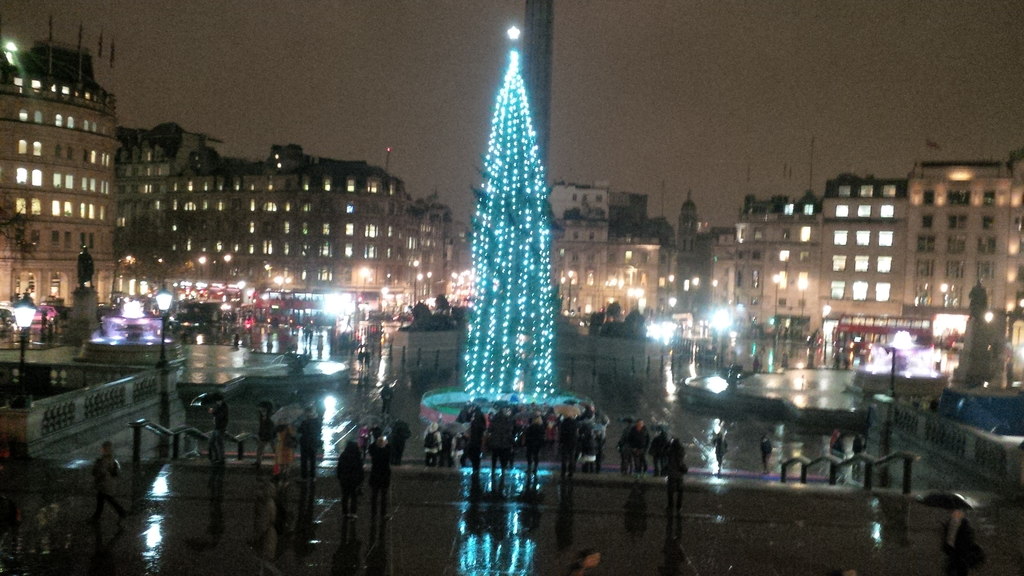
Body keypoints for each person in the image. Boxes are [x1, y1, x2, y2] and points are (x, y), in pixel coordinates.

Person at [89, 441, 127, 523]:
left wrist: (97, 472)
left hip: (105, 483)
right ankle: (121, 512)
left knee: (105, 499)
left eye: (104, 448)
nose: (102, 449)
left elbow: (102, 471)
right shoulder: (110, 458)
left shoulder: (106, 459)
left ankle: (121, 512)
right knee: (103, 499)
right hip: (106, 483)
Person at [942, 508, 984, 575]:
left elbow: (968, 542)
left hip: (961, 559)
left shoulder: (965, 526)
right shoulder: (949, 524)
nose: (956, 514)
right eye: (954, 512)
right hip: (954, 559)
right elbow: (946, 544)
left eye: (958, 512)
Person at [336, 441, 364, 519]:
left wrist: (339, 476)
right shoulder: (357, 456)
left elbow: (339, 467)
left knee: (345, 496)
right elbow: (360, 469)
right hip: (354, 479)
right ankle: (353, 512)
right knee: (354, 496)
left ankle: (345, 512)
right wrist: (361, 479)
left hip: (344, 479)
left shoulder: (343, 455)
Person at [367, 434, 392, 518]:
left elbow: (370, 447)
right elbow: (390, 448)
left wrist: (376, 441)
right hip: (384, 477)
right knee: (383, 497)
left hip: (375, 476)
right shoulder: (386, 453)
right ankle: (383, 513)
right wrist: (386, 442)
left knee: (374, 496)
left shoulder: (375, 452)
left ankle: (373, 513)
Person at [297, 405, 322, 481]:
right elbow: (319, 431)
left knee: (306, 460)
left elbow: (300, 430)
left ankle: (305, 476)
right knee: (312, 460)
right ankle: (312, 476)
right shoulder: (317, 421)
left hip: (306, 442)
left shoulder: (306, 422)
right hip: (311, 442)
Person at [488, 408, 515, 474]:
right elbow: (509, 431)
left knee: (494, 457)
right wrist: (512, 442)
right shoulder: (506, 420)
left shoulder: (494, 420)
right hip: (504, 442)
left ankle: (493, 470)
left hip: (495, 442)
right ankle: (503, 471)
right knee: (503, 458)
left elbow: (489, 430)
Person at [665, 438, 687, 514]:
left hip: (671, 474)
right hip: (679, 475)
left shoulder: (670, 451)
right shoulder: (681, 451)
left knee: (670, 491)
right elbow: (681, 461)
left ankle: (670, 506)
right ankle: (679, 506)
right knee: (680, 491)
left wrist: (668, 443)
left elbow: (665, 451)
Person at [208, 396, 229, 464]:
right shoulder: (218, 406)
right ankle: (217, 457)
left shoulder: (224, 407)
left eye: (218, 401)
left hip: (221, 428)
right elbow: (217, 415)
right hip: (216, 427)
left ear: (221, 401)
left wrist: (213, 412)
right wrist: (213, 412)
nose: (217, 402)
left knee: (219, 443)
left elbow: (220, 416)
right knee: (211, 442)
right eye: (216, 401)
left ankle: (221, 458)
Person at [255, 402, 275, 470]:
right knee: (259, 449)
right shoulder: (261, 415)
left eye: (260, 407)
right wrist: (260, 433)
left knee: (274, 449)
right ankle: (258, 462)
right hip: (263, 434)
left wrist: (266, 419)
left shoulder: (271, 415)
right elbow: (261, 426)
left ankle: (279, 462)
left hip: (270, 435)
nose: (259, 409)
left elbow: (272, 426)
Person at [558, 414, 580, 478]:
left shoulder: (563, 422)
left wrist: (560, 441)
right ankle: (571, 472)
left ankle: (563, 472)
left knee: (564, 458)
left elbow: (561, 432)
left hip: (565, 441)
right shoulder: (575, 422)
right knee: (571, 457)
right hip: (573, 441)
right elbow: (577, 432)